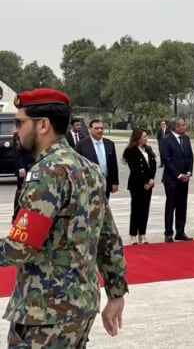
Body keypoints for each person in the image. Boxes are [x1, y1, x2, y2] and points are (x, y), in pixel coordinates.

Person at [2, 88, 128, 346]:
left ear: (43, 125)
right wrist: (116, 293)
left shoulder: (47, 172)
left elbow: (21, 246)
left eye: (20, 123)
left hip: (46, 310)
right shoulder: (89, 168)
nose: (15, 130)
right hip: (81, 305)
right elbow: (108, 237)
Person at [160, 117, 194, 242]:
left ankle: (180, 231)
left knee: (182, 205)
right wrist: (179, 175)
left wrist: (189, 172)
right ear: (176, 127)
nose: (185, 127)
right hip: (172, 179)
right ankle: (168, 233)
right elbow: (167, 159)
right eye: (183, 125)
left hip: (185, 178)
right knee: (171, 205)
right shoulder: (166, 140)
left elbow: (190, 156)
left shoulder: (186, 139)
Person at [122, 129, 157, 245]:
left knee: (145, 209)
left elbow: (153, 165)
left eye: (147, 136)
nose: (146, 139)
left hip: (149, 184)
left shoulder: (148, 149)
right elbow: (135, 168)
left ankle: (142, 233)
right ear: (138, 138)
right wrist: (145, 181)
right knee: (136, 209)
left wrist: (151, 180)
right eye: (144, 136)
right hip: (137, 184)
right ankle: (133, 235)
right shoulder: (130, 151)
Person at [75, 119, 120, 198]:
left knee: (105, 204)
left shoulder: (109, 143)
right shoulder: (81, 145)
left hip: (106, 183)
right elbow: (77, 165)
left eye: (101, 128)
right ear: (90, 129)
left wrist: (115, 182)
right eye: (96, 128)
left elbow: (113, 164)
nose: (100, 130)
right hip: (89, 184)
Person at [12, 134, 33, 221]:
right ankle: (16, 215)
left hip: (34, 164)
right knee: (21, 190)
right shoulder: (18, 133)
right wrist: (20, 167)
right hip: (24, 166)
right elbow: (17, 152)